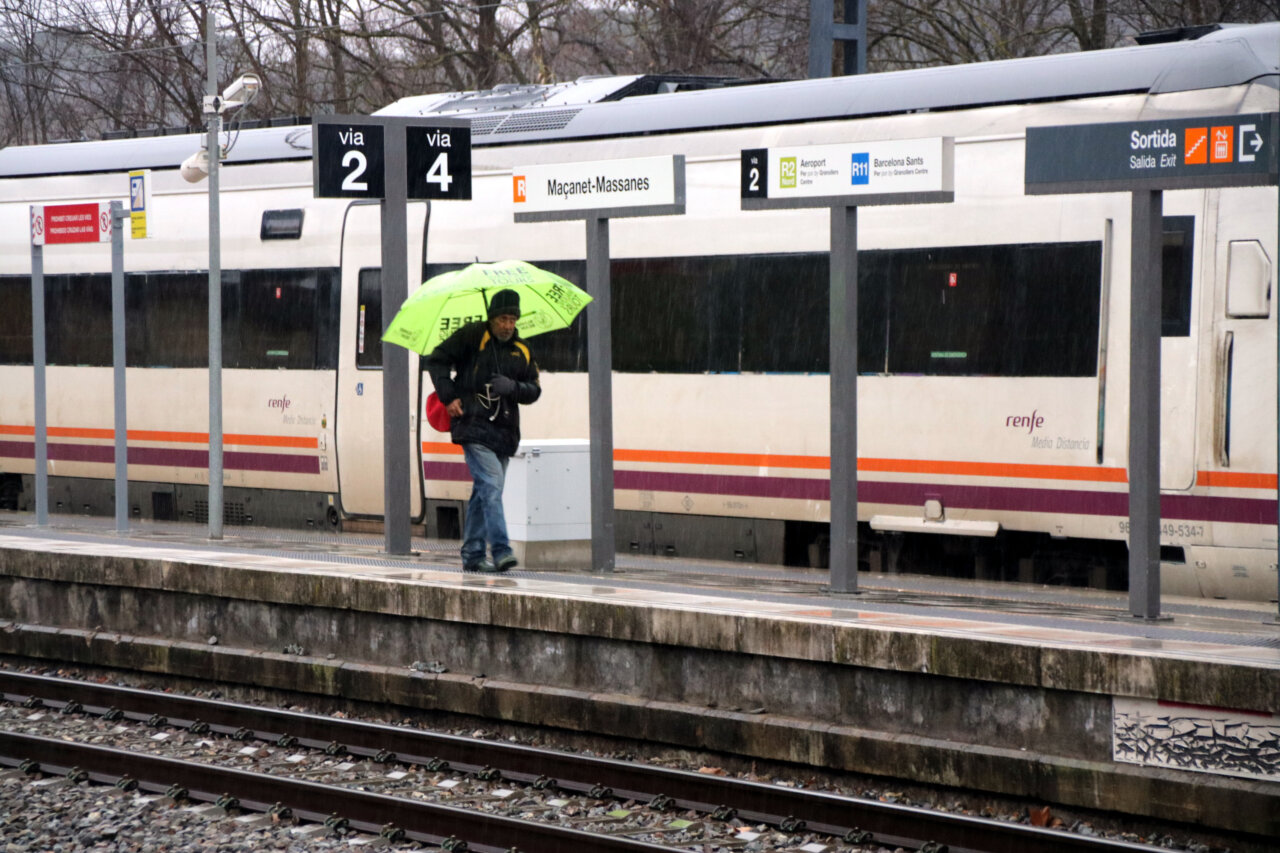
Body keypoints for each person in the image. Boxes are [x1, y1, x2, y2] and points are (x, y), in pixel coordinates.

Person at [424, 288, 541, 573]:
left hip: (504, 432)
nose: (507, 325)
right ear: (491, 318)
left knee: (484, 490)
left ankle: (473, 554)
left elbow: (534, 389)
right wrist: (449, 396)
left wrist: (513, 388)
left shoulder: (522, 350)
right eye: (502, 318)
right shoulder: (472, 336)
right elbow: (436, 359)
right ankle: (501, 549)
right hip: (472, 424)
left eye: (512, 320)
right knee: (491, 486)